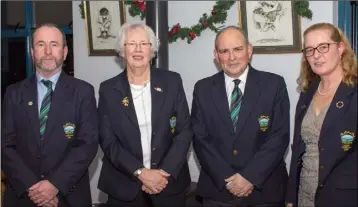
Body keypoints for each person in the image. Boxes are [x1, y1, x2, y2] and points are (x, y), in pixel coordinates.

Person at [191, 25, 290, 207]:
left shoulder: (274, 84)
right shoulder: (202, 88)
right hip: (218, 192)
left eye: (237, 49)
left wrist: (249, 177)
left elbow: (279, 136)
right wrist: (227, 179)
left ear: (249, 50)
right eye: (224, 51)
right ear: (216, 55)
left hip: (264, 191)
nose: (232, 57)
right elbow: (200, 139)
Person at [1, 23, 99, 207]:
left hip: (68, 195)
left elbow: (87, 144)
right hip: (23, 196)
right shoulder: (13, 93)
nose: (47, 51)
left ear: (65, 52)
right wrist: (33, 187)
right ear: (32, 52)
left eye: (54, 44)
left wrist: (54, 185)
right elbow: (5, 145)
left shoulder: (83, 92)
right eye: (40, 44)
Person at [97, 23, 192, 207]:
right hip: (124, 186)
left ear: (152, 49)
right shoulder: (108, 90)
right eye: (131, 43)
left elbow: (184, 131)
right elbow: (108, 140)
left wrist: (164, 172)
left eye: (144, 43)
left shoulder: (172, 82)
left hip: (168, 183)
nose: (138, 49)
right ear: (122, 51)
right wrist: (141, 172)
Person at [286, 23, 357, 207]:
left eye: (323, 47)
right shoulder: (307, 91)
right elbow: (298, 151)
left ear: (340, 48)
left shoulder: (354, 91)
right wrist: (290, 196)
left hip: (344, 197)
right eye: (309, 50)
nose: (316, 55)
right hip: (305, 192)